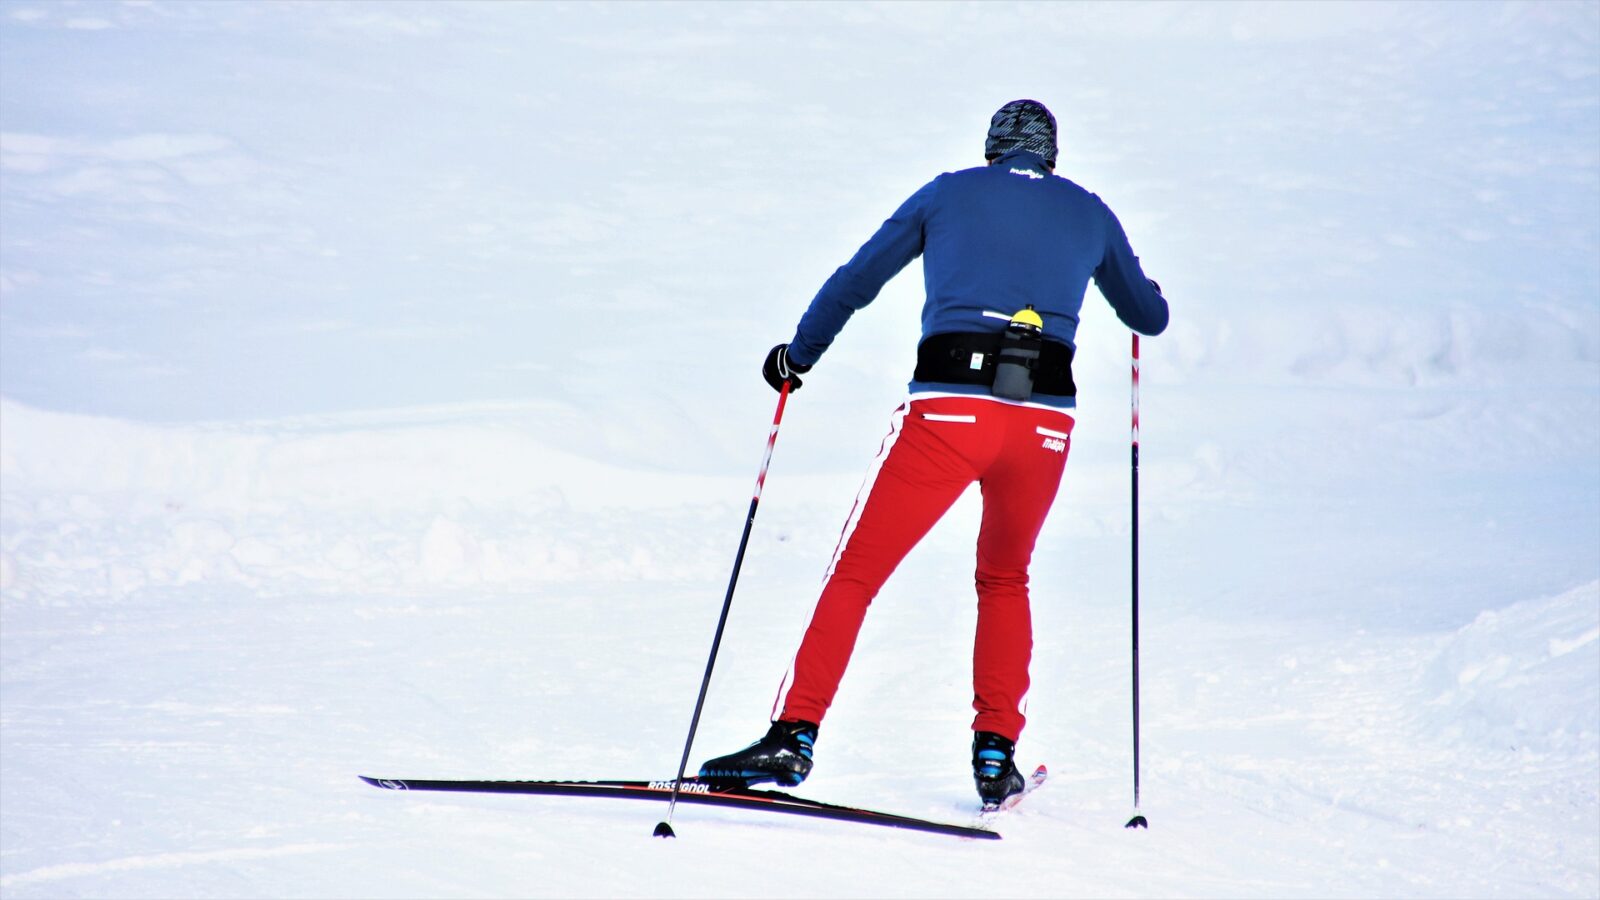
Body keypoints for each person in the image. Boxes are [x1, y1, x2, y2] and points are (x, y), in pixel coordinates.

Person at [698, 99, 1170, 807]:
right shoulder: (1090, 212)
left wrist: (797, 359)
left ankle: (793, 736)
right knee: (1006, 578)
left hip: (950, 411)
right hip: (1043, 427)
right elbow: (1149, 316)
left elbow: (857, 280)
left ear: (992, 150)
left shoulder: (949, 192)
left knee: (857, 574)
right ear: (1051, 155)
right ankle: (995, 755)